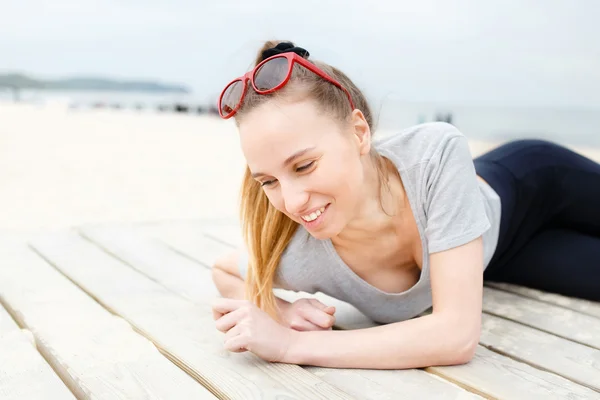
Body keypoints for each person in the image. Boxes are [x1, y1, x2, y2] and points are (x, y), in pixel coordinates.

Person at [210, 40, 600, 369]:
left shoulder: (434, 155)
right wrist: (282, 311)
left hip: (537, 184)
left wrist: (291, 345)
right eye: (269, 181)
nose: (292, 202)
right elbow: (226, 271)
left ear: (359, 133)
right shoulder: (303, 256)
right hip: (500, 256)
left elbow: (456, 336)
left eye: (305, 165)